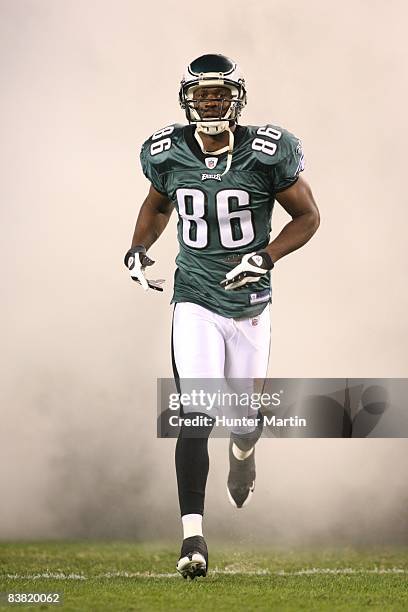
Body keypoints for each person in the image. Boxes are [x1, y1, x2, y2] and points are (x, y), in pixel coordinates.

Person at [125, 54, 320, 579]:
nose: (211, 101)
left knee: (245, 418)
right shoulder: (167, 152)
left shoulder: (265, 153)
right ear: (188, 98)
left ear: (237, 97)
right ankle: (193, 538)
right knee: (195, 412)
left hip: (250, 301)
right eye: (203, 93)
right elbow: (157, 204)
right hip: (193, 297)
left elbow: (308, 216)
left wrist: (266, 256)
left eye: (219, 93)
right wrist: (138, 248)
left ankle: (244, 450)